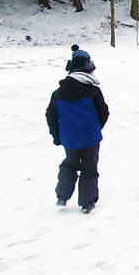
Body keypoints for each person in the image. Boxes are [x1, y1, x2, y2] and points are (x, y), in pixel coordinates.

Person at [46, 45, 109, 214]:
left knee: (70, 164)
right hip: (90, 137)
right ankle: (87, 202)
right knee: (90, 168)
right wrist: (95, 128)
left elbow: (51, 115)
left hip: (69, 138)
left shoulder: (59, 93)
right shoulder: (93, 91)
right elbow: (104, 112)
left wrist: (57, 135)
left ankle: (62, 196)